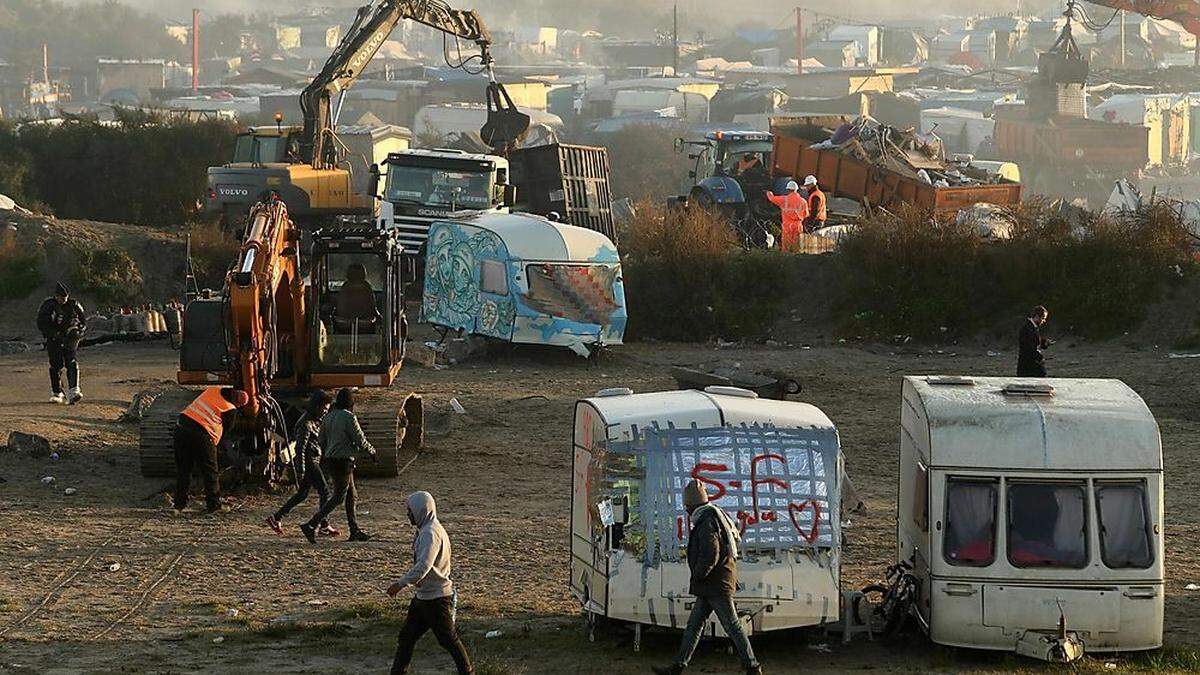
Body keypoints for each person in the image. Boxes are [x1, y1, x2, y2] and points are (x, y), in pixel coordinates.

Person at [653, 479, 762, 675]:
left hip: (715, 585)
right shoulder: (712, 516)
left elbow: (712, 552)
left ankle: (753, 667)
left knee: (732, 626)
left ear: (693, 505)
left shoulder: (706, 522)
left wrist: (699, 574)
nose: (686, 510)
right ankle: (677, 666)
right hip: (712, 584)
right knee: (695, 626)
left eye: (687, 506)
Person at [387, 491, 474, 675]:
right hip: (424, 596)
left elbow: (423, 566)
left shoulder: (430, 533)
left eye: (410, 511)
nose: (408, 514)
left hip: (436, 598)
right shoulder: (425, 530)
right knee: (407, 637)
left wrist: (401, 584)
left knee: (448, 639)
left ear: (421, 510)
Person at [300, 387, 377, 543]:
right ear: (350, 403)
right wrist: (372, 452)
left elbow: (321, 439)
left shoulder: (328, 417)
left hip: (331, 460)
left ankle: (354, 530)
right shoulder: (349, 417)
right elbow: (359, 439)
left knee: (350, 496)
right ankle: (311, 524)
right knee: (339, 497)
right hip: (344, 461)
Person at [266, 390, 339, 537]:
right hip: (310, 461)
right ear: (317, 406)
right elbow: (300, 448)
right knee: (324, 491)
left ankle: (277, 517)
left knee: (302, 494)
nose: (325, 411)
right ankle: (324, 524)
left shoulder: (314, 420)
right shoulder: (306, 424)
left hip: (312, 460)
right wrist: (301, 470)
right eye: (324, 408)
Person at [174, 387, 248, 513]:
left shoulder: (212, 390)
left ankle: (179, 505)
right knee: (210, 471)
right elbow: (227, 432)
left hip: (181, 427)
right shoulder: (230, 409)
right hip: (202, 435)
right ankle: (213, 505)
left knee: (184, 469)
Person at [36, 282, 86, 405]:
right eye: (61, 297)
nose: (63, 300)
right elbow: (41, 323)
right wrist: (54, 334)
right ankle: (57, 392)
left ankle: (74, 390)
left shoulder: (74, 305)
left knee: (72, 362)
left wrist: (77, 331)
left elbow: (83, 322)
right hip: (54, 339)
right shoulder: (48, 306)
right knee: (56, 365)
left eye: (65, 297)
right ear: (56, 296)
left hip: (71, 338)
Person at [764, 181, 809, 252]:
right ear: (796, 190)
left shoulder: (784, 199)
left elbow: (771, 198)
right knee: (796, 247)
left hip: (787, 226)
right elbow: (806, 215)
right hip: (798, 226)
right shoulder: (803, 201)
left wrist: (768, 193)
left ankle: (786, 259)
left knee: (786, 247)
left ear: (788, 190)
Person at [1017, 305, 1051, 377]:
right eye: (1043, 318)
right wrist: (1040, 358)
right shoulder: (1027, 328)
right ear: (1036, 316)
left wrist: (1044, 343)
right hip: (1028, 365)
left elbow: (1033, 342)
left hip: (1030, 364)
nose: (1044, 321)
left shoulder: (1031, 327)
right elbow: (1028, 347)